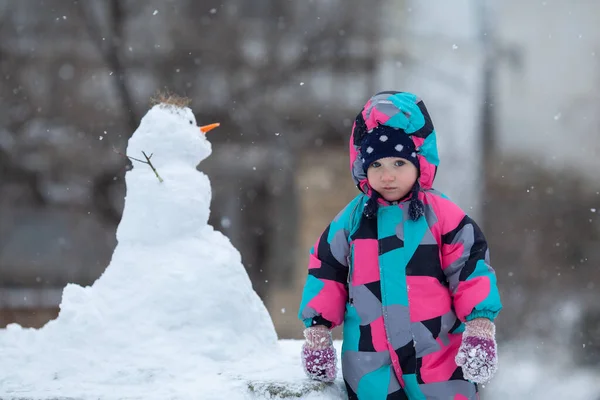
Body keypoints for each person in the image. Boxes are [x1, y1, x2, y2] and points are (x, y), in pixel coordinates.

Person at [297, 91, 502, 400]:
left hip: (438, 361)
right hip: (370, 365)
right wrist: (317, 331)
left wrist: (480, 326)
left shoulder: (443, 216)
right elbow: (326, 269)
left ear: (419, 162)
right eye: (376, 164)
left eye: (398, 162)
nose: (387, 175)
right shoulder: (352, 220)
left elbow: (471, 268)